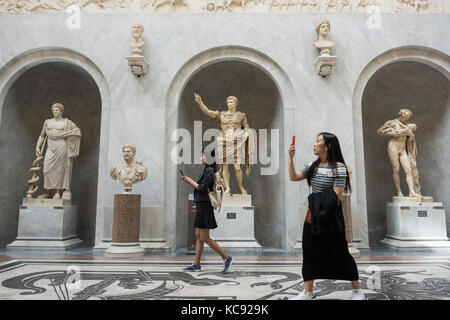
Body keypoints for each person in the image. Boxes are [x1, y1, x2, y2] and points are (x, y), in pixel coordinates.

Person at [288, 132, 365, 300]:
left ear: (328, 146)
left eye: (318, 141)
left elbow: (336, 195)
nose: (314, 144)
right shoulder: (312, 165)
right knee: (309, 251)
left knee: (340, 251)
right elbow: (294, 177)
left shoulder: (339, 167)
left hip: (331, 217)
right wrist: (291, 158)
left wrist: (315, 201)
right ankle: (307, 292)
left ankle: (357, 291)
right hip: (312, 216)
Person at [181, 149, 234, 273]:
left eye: (203, 156)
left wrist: (188, 180)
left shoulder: (209, 171)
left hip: (205, 206)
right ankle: (196, 264)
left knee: (205, 237)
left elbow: (202, 188)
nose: (201, 158)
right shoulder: (206, 170)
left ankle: (227, 258)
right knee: (199, 236)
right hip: (201, 205)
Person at [194, 93, 255, 195]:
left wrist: (246, 133)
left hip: (236, 142)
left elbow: (247, 127)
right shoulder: (221, 115)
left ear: (236, 103)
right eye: (228, 102)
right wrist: (200, 102)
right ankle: (227, 188)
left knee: (237, 167)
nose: (230, 104)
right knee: (225, 166)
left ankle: (240, 186)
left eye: (232, 102)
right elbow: (208, 112)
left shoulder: (241, 115)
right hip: (224, 142)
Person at [36, 103, 81, 201]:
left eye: (57, 110)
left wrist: (69, 137)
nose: (55, 111)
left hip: (61, 146)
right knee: (46, 169)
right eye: (54, 110)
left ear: (61, 111)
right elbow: (42, 135)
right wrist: (38, 146)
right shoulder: (47, 122)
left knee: (59, 170)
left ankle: (57, 192)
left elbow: (77, 131)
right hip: (50, 147)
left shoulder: (67, 122)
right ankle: (47, 192)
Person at [377, 108, 422, 198]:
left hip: (403, 148)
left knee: (408, 169)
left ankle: (412, 192)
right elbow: (379, 131)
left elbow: (410, 138)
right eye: (407, 117)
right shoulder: (392, 122)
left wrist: (411, 135)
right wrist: (393, 133)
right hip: (393, 145)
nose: (407, 119)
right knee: (396, 169)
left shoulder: (408, 126)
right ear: (402, 115)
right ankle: (399, 192)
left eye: (409, 117)